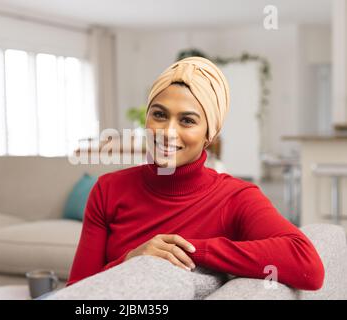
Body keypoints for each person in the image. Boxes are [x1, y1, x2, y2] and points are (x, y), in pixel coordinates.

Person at [66, 57, 324, 290]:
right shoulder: (108, 189)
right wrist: (132, 259)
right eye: (159, 115)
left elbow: (307, 266)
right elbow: (77, 290)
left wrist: (192, 249)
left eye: (187, 121)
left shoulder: (235, 197)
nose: (167, 132)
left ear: (209, 135)